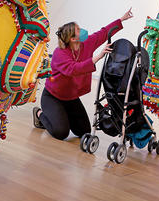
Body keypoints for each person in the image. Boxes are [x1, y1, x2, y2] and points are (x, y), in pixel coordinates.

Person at [33, 8, 134, 140]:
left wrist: (121, 20)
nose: (82, 31)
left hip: (70, 97)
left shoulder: (85, 44)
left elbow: (102, 33)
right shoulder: (59, 53)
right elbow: (74, 69)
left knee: (84, 131)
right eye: (78, 30)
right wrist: (98, 56)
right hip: (53, 97)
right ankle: (39, 114)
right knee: (61, 132)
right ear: (72, 38)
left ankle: (62, 115)